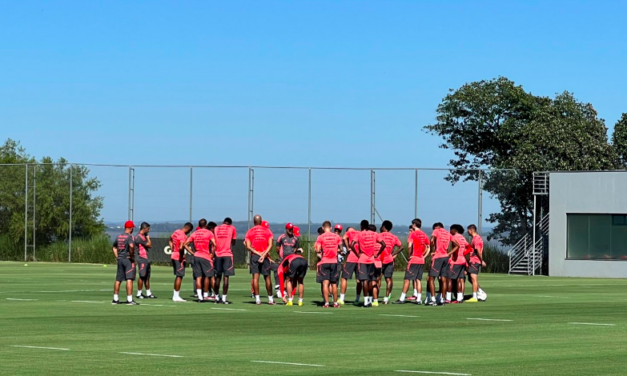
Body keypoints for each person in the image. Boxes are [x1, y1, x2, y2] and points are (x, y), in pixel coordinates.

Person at [394, 219, 430, 305]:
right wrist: (424, 256)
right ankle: (419, 299)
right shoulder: (424, 235)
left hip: (414, 259)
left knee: (407, 279)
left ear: (414, 225)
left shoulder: (412, 234)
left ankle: (402, 298)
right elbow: (428, 246)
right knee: (418, 280)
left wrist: (409, 255)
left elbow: (410, 245)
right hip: (421, 260)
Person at [352, 220, 385, 308]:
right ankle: (370, 300)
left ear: (362, 226)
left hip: (362, 259)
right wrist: (377, 254)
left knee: (364, 281)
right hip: (371, 260)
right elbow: (383, 244)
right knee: (371, 280)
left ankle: (366, 301)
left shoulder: (359, 234)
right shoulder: (375, 234)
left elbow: (352, 244)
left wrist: (357, 253)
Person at [184, 219, 217, 302]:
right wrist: (212, 254)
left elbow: (185, 244)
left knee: (198, 277)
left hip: (196, 256)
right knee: (211, 276)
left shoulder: (195, 233)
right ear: (205, 225)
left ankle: (200, 297)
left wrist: (192, 253)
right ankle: (216, 296)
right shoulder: (208, 233)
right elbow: (215, 244)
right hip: (205, 257)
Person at [245, 214, 275, 305]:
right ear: (261, 222)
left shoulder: (249, 232)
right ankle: (270, 299)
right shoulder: (267, 231)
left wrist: (257, 253)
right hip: (265, 256)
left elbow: (248, 246)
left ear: (254, 222)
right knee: (267, 277)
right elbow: (270, 245)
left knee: (255, 278)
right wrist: (264, 254)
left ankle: (257, 299)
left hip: (255, 256)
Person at [315, 221, 343, 308]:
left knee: (325, 283)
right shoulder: (337, 236)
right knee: (334, 283)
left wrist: (323, 250)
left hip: (324, 261)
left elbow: (318, 250)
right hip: (334, 262)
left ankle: (326, 303)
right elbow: (341, 249)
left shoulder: (320, 237)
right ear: (330, 228)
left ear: (323, 228)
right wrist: (335, 250)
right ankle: (335, 303)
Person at [375, 220, 402, 304]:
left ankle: (375, 297)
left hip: (379, 260)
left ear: (383, 227)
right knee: (388, 279)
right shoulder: (393, 237)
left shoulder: (378, 235)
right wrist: (394, 253)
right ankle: (386, 298)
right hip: (389, 259)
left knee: (378, 279)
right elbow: (401, 247)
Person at [112, 221, 138, 305]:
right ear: (130, 228)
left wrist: (117, 257)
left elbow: (114, 247)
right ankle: (129, 299)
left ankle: (115, 299)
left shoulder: (119, 236)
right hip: (128, 259)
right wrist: (131, 255)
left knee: (118, 279)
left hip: (120, 259)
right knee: (129, 278)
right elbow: (131, 246)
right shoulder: (130, 237)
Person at [214, 217, 237, 304]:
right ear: (230, 223)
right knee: (226, 277)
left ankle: (217, 298)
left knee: (218, 277)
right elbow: (233, 242)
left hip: (218, 254)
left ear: (223, 222)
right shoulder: (232, 228)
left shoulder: (216, 228)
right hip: (227, 254)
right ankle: (224, 298)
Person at [273, 223, 300, 298]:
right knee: (282, 275)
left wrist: (294, 253)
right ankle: (280, 290)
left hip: (292, 260)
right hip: (284, 259)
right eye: (289, 229)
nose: (291, 231)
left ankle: (290, 292)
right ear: (286, 229)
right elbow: (277, 247)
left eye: (292, 229)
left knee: (291, 276)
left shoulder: (296, 239)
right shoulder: (281, 237)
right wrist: (280, 256)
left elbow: (296, 248)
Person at [428, 222, 451, 305]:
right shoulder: (447, 233)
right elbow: (457, 245)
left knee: (431, 278)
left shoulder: (436, 231)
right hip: (445, 257)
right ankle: (442, 299)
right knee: (444, 279)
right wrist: (449, 253)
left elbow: (431, 240)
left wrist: (432, 251)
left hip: (438, 256)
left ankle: (433, 299)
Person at [170, 222, 193, 302]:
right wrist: (182, 254)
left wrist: (172, 248)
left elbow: (170, 239)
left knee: (177, 276)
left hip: (173, 255)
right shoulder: (183, 236)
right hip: (178, 257)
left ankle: (175, 295)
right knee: (180, 276)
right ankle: (176, 296)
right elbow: (181, 247)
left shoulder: (176, 232)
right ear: (188, 229)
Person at [447, 224, 468, 304]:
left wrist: (453, 257)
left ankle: (448, 298)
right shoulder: (462, 237)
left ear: (454, 230)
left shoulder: (455, 237)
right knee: (459, 279)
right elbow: (468, 248)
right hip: (462, 260)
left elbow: (456, 247)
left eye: (451, 230)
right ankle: (459, 298)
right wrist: (463, 255)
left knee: (450, 279)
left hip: (456, 261)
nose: (450, 231)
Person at [339, 227, 361, 306]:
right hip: (360, 259)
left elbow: (344, 238)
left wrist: (348, 247)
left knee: (344, 278)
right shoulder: (359, 233)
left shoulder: (349, 233)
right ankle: (357, 299)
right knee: (359, 280)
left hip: (351, 258)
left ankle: (341, 298)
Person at [466, 224, 486, 303]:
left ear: (471, 230)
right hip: (472, 261)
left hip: (475, 261)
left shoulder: (477, 239)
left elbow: (478, 251)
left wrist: (481, 261)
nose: (467, 232)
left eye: (468, 230)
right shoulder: (474, 238)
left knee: (473, 278)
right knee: (470, 278)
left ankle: (475, 296)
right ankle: (481, 292)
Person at [135, 222, 156, 299]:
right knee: (142, 276)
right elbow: (150, 245)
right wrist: (148, 237)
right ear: (144, 228)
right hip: (142, 258)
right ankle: (139, 293)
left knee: (147, 276)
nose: (149, 230)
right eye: (148, 228)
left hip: (146, 258)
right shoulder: (139, 237)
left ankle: (148, 293)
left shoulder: (142, 236)